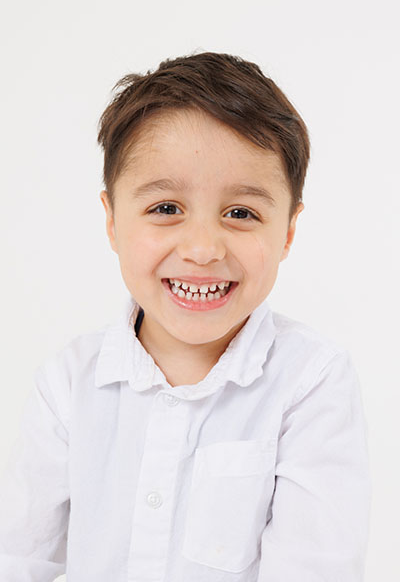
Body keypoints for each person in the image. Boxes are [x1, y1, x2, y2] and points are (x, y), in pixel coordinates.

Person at [0, 51, 371, 581]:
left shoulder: (311, 383)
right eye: (166, 208)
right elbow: (18, 559)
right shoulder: (68, 383)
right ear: (112, 221)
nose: (202, 249)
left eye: (241, 213)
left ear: (288, 231)